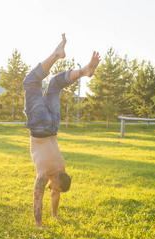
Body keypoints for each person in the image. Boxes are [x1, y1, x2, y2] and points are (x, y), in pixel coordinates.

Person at [23, 34, 101, 228]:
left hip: (54, 125)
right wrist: (39, 223)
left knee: (55, 83)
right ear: (56, 182)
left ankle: (84, 70)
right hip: (40, 128)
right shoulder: (43, 176)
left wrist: (55, 215)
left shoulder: (61, 170)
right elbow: (37, 198)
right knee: (31, 82)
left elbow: (56, 192)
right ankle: (57, 54)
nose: (51, 188)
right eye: (54, 187)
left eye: (53, 188)